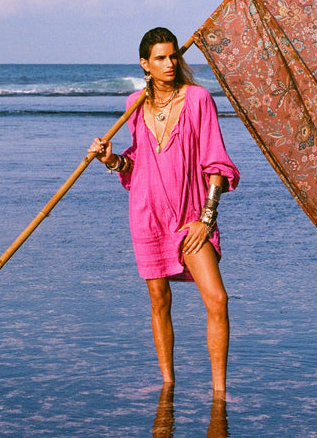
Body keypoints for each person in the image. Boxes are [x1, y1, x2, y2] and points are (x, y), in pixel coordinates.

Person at [89, 27, 240, 393]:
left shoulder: (199, 99)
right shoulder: (134, 106)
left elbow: (216, 164)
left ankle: (219, 392)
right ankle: (168, 385)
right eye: (160, 58)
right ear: (145, 64)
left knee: (217, 299)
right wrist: (112, 160)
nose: (170, 63)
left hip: (191, 215)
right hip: (147, 213)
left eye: (174, 56)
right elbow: (137, 164)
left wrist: (206, 219)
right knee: (159, 299)